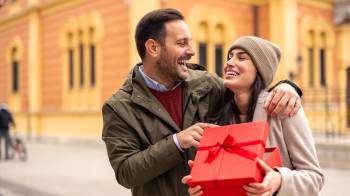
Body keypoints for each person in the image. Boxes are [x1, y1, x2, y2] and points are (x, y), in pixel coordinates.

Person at [102, 9, 302, 196]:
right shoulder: (119, 107)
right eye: (181, 44)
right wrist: (176, 142)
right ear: (153, 47)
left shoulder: (207, 84)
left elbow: (247, 88)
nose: (191, 51)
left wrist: (287, 86)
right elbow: (125, 172)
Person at [182, 36, 324, 196]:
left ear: (260, 69)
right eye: (229, 57)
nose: (229, 62)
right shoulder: (217, 117)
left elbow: (314, 177)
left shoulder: (285, 109)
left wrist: (280, 180)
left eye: (241, 57)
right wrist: (205, 186)